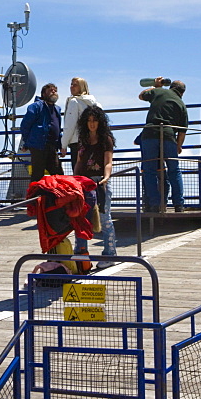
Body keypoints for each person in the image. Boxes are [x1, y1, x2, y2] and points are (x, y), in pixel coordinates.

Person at [74, 105, 117, 265]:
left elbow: (108, 162)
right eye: (89, 121)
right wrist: (74, 179)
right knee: (80, 218)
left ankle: (110, 254)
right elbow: (79, 162)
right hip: (83, 183)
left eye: (95, 120)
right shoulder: (83, 140)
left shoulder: (106, 139)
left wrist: (106, 178)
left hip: (99, 182)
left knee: (105, 218)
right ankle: (81, 253)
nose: (92, 124)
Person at [139, 77, 188, 212]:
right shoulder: (181, 104)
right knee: (174, 170)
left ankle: (155, 204)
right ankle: (179, 204)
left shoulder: (159, 92)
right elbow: (182, 132)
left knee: (149, 171)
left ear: (171, 86)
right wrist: (178, 146)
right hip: (168, 135)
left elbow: (141, 96)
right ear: (182, 93)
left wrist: (156, 86)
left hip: (150, 133)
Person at [20, 82, 63, 183]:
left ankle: (57, 197)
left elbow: (58, 128)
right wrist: (28, 142)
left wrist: (61, 145)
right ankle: (34, 197)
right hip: (38, 146)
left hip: (52, 147)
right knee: (38, 174)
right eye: (50, 90)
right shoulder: (35, 107)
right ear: (44, 94)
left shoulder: (57, 109)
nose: (54, 92)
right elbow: (25, 125)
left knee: (58, 174)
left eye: (55, 91)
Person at [62, 77, 101, 172]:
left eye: (75, 85)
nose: (71, 87)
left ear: (81, 87)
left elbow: (70, 126)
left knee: (78, 172)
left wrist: (63, 145)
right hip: (93, 140)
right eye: (71, 84)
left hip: (77, 142)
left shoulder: (74, 102)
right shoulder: (95, 103)